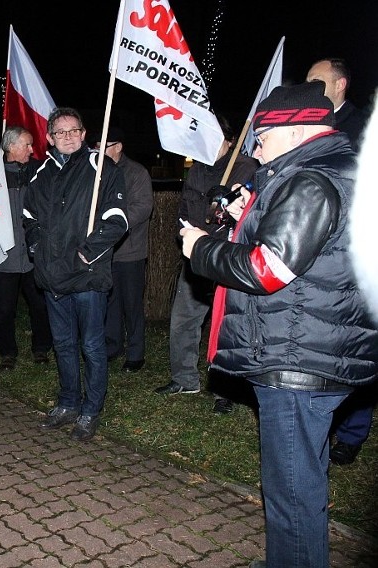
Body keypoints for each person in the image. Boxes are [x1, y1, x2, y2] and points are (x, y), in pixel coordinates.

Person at [180, 82, 378, 568]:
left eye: (262, 138)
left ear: (294, 132)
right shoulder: (331, 171)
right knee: (301, 486)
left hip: (298, 358)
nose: (255, 148)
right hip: (317, 346)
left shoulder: (310, 181)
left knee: (292, 495)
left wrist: (201, 248)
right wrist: (242, 218)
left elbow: (268, 269)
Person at [23, 107, 128, 442]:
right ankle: (68, 402)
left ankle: (90, 409)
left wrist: (86, 253)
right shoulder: (41, 173)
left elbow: (118, 219)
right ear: (50, 138)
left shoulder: (101, 168)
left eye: (73, 130)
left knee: (92, 345)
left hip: (87, 277)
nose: (67, 137)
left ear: (83, 134)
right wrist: (37, 248)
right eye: (60, 132)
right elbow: (29, 217)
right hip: (53, 277)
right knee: (63, 343)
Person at [154, 115, 259, 415]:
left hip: (228, 258)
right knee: (184, 318)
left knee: (226, 324)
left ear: (228, 140)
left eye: (212, 139)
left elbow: (248, 215)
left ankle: (225, 391)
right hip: (197, 256)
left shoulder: (246, 167)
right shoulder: (197, 169)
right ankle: (184, 378)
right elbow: (185, 209)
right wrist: (185, 231)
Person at [307, 57, 373, 465]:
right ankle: (325, 419)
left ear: (341, 84)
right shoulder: (317, 126)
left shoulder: (362, 127)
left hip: (358, 251)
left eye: (318, 82)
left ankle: (352, 431)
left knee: (356, 345)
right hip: (321, 248)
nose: (311, 88)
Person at [0, 126, 52, 371]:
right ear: (11, 147)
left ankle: (41, 348)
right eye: (26, 145)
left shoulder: (39, 171)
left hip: (32, 256)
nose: (31, 149)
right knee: (5, 309)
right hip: (3, 257)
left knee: (40, 305)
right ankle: (7, 352)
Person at [96, 127, 153, 372]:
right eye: (96, 146)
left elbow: (142, 207)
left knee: (132, 304)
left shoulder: (136, 172)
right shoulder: (96, 171)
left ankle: (136, 353)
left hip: (130, 251)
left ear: (118, 147)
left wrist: (113, 224)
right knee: (110, 301)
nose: (98, 151)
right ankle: (113, 345)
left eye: (103, 146)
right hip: (105, 251)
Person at [307, 58, 367, 152]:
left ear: (339, 85)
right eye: (307, 83)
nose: (307, 88)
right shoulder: (301, 122)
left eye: (315, 81)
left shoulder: (364, 129)